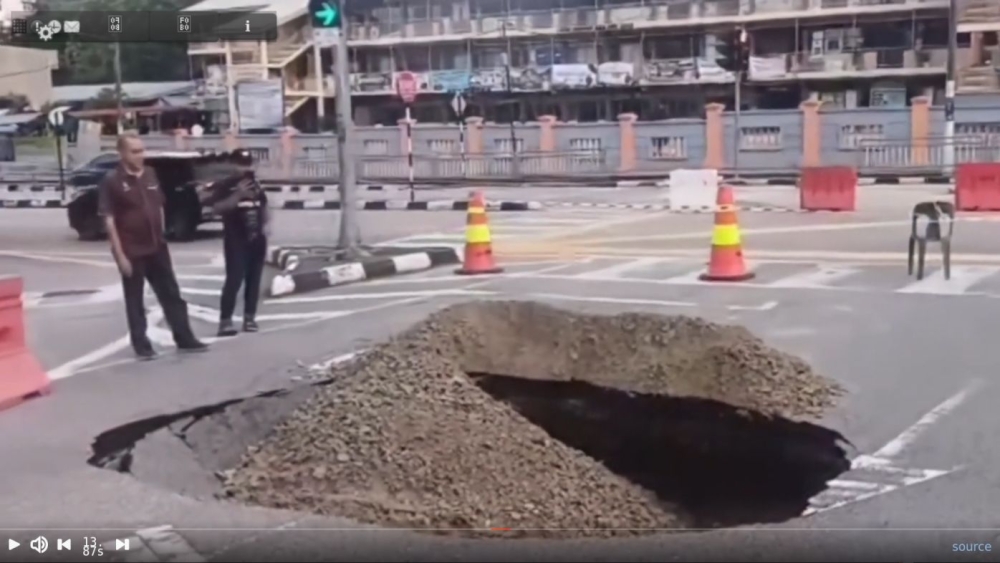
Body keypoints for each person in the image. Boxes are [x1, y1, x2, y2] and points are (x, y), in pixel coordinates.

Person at [98, 133, 209, 360]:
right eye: (135, 151)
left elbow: (158, 205)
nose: (140, 155)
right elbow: (109, 221)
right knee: (135, 299)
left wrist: (162, 234)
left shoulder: (150, 174)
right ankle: (142, 344)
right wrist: (120, 256)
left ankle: (184, 337)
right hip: (131, 249)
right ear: (122, 153)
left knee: (171, 294)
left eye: (142, 150)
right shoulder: (112, 181)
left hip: (156, 246)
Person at [201, 150, 270, 337]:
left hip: (256, 239)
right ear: (233, 165)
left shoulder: (257, 185)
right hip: (236, 239)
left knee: (254, 280)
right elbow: (215, 208)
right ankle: (225, 321)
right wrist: (237, 195)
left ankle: (249, 318)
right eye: (240, 164)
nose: (245, 169)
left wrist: (265, 228)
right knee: (234, 279)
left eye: (248, 164)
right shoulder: (225, 186)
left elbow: (264, 206)